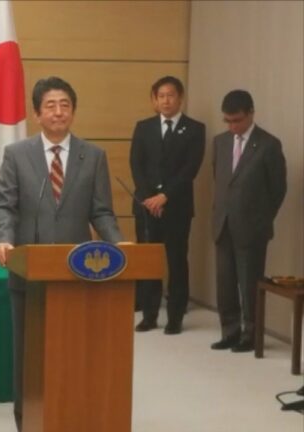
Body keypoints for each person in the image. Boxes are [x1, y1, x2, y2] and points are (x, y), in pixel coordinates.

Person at [0, 77, 123, 431]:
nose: (58, 111)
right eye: (50, 105)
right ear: (37, 113)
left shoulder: (93, 156)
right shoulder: (17, 155)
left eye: (65, 104)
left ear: (74, 111)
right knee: (28, 356)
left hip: (78, 275)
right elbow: (6, 206)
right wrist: (4, 239)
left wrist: (120, 245)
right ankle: (26, 422)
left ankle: (73, 417)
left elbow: (102, 212)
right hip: (27, 272)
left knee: (74, 350)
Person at [211, 90, 287, 353]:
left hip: (252, 228)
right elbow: (220, 181)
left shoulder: (268, 144)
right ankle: (229, 331)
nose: (233, 126)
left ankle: (251, 335)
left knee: (250, 283)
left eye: (237, 120)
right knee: (225, 283)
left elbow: (278, 189)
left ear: (251, 113)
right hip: (223, 223)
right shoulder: (219, 143)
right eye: (228, 121)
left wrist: (260, 219)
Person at [129, 76, 206, 335]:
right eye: (160, 96)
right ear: (154, 100)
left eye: (170, 95)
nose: (165, 100)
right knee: (148, 262)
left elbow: (190, 169)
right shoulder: (143, 127)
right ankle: (149, 315)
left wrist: (165, 197)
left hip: (177, 207)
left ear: (180, 97)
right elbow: (136, 166)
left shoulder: (195, 129)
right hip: (146, 207)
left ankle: (175, 317)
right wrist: (150, 198)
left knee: (176, 261)